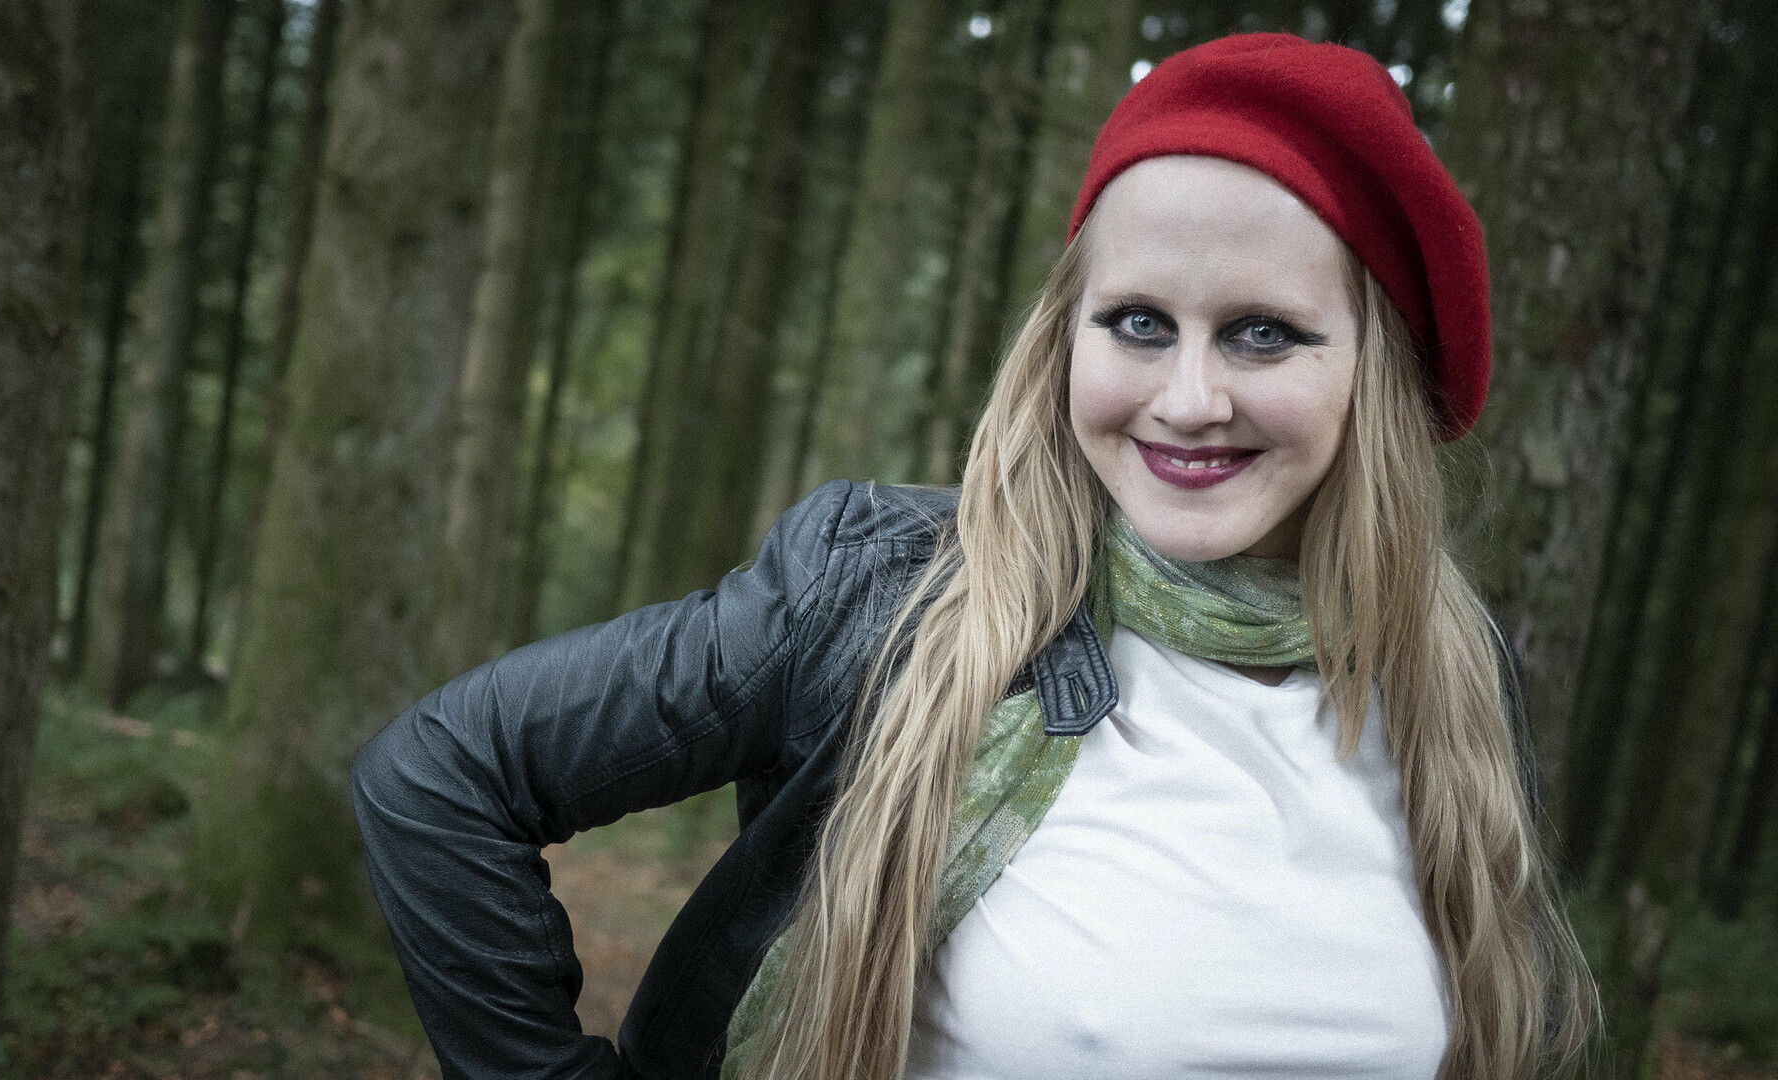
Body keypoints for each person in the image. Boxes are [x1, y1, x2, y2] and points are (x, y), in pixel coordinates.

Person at [350, 31, 1600, 1080]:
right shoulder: (885, 597)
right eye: (1138, 323)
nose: (1189, 399)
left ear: (1376, 375)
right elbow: (445, 775)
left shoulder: (1452, 674)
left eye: (1264, 333)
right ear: (1066, 339)